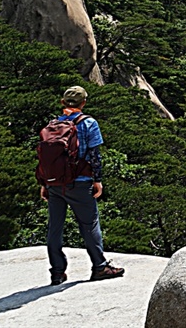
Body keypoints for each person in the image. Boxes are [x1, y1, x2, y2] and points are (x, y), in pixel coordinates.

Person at [39, 85, 125, 285]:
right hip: (79, 183)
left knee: (55, 227)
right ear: (83, 103)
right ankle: (100, 267)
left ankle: (57, 272)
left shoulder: (52, 125)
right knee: (89, 224)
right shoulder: (88, 123)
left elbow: (45, 159)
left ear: (63, 103)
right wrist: (97, 180)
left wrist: (44, 183)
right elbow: (94, 155)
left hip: (54, 183)